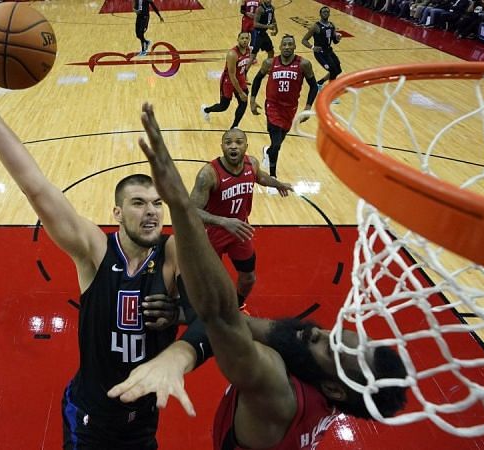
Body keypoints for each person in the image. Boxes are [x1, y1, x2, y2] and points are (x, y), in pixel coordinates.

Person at [0, 30, 209, 450]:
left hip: (143, 422)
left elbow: (217, 317)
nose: (151, 211)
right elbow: (36, 187)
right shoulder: (95, 251)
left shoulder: (171, 253)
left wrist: (181, 327)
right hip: (90, 420)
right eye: (137, 203)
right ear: (116, 214)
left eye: (156, 203)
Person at [112, 102, 409, 450]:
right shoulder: (323, 378)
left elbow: (223, 317)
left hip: (230, 235)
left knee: (245, 281)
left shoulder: (275, 389)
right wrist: (184, 315)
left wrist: (178, 204)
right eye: (336, 333)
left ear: (333, 388)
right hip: (222, 233)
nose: (317, 331)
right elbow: (239, 321)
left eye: (328, 345)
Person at [189, 128, 293, 310]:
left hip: (240, 230)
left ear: (246, 145)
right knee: (211, 281)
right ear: (222, 146)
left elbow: (260, 177)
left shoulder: (251, 163)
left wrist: (277, 184)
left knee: (248, 278)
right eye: (228, 142)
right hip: (212, 233)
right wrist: (223, 221)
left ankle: (236, 306)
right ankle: (207, 315)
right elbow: (191, 211)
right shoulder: (208, 174)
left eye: (238, 142)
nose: (233, 146)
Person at [250, 35, 318, 180]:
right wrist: (252, 100)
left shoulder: (303, 64)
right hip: (272, 106)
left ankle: (268, 152)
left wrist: (307, 107)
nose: (287, 47)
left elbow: (313, 86)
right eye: (284, 44)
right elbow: (257, 79)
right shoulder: (270, 63)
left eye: (290, 44)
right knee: (276, 143)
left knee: (278, 143)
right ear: (280, 47)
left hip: (290, 108)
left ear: (294, 47)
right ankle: (273, 175)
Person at [201, 31, 251, 129]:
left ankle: (234, 126)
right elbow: (232, 75)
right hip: (228, 81)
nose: (245, 40)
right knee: (223, 107)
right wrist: (240, 92)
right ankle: (206, 110)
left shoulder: (248, 50)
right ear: (238, 40)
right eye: (242, 38)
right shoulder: (232, 54)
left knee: (243, 103)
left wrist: (245, 77)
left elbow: (243, 66)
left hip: (240, 79)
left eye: (247, 38)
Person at [301, 7, 342, 94]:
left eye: (327, 12)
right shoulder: (316, 26)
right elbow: (304, 40)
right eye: (324, 12)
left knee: (338, 70)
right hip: (320, 53)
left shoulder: (332, 25)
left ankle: (319, 83)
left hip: (329, 51)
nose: (326, 13)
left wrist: (338, 38)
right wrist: (312, 47)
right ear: (320, 14)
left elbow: (335, 41)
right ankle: (331, 92)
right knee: (333, 70)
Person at [249, 0, 278, 65]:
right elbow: (255, 24)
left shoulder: (272, 8)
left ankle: (268, 69)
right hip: (257, 33)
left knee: (271, 52)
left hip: (263, 33)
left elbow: (273, 18)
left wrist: (276, 29)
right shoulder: (260, 9)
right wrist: (267, 26)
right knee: (253, 56)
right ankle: (244, 73)